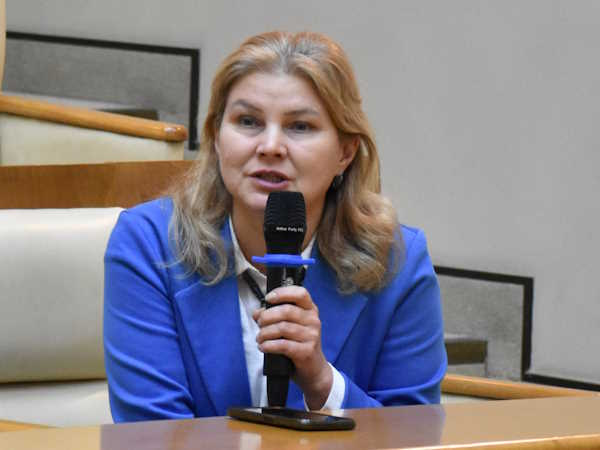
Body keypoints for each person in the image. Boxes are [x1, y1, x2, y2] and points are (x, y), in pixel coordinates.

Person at [104, 31, 447, 422]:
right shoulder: (149, 245)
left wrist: (323, 383)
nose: (270, 146)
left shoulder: (397, 262)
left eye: (300, 126)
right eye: (248, 121)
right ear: (216, 137)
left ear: (346, 152)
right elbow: (151, 436)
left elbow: (414, 435)